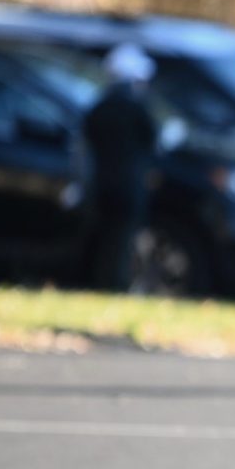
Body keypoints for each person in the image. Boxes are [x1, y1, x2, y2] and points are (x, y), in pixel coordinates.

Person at [82, 42, 159, 291]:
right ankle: (116, 284)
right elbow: (152, 141)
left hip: (101, 183)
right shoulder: (137, 109)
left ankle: (100, 281)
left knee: (104, 238)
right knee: (123, 240)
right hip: (129, 186)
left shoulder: (100, 108)